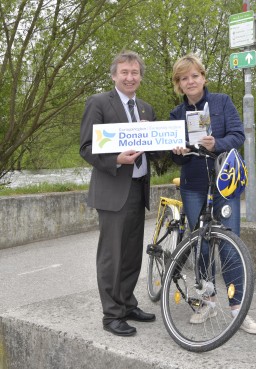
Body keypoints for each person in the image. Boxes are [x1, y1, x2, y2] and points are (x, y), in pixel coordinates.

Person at [170, 53, 256, 335]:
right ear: (179, 84)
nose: (190, 81)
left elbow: (238, 134)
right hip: (194, 185)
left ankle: (238, 309)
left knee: (230, 245)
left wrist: (216, 143)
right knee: (201, 245)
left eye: (194, 76)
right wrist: (179, 153)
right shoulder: (176, 114)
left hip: (224, 183)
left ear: (203, 77)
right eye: (184, 78)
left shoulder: (222, 101)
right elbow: (175, 159)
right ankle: (208, 302)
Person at [80, 50, 157, 337]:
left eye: (134, 72)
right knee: (111, 256)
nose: (129, 77)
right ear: (114, 75)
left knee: (131, 254)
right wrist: (116, 160)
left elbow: (156, 151)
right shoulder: (99, 103)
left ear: (140, 76)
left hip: (138, 189)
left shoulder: (147, 109)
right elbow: (86, 147)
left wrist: (166, 139)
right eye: (124, 72)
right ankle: (111, 315)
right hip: (113, 190)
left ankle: (127, 304)